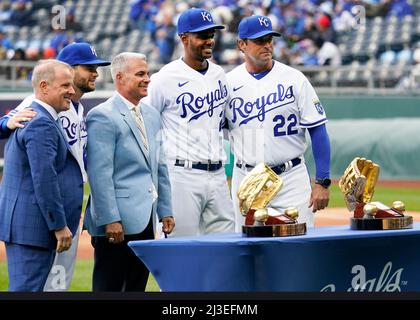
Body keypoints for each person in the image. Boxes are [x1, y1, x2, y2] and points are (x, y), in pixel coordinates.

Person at [0, 42, 111, 291]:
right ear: (68, 69)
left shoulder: (77, 107)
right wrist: (6, 122)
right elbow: (42, 170)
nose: (95, 73)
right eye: (89, 67)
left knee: (56, 285)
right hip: (42, 217)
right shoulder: (41, 103)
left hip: (64, 211)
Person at [226, 15, 331, 231]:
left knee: (299, 246)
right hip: (247, 178)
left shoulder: (295, 79)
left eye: (269, 39)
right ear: (241, 44)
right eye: (259, 40)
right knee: (247, 248)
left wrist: (322, 181)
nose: (267, 45)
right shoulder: (228, 83)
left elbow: (318, 130)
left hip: (290, 177)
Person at [84, 52, 175, 292]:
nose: (147, 79)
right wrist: (109, 219)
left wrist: (165, 209)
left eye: (147, 73)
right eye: (140, 74)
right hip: (117, 224)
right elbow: (99, 173)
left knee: (136, 287)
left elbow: (159, 165)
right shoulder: (102, 116)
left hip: (146, 219)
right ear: (120, 78)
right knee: (109, 287)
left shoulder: (152, 115)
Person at [142, 8, 235, 237]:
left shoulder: (219, 74)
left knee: (225, 246)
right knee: (179, 246)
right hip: (181, 174)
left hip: (217, 174)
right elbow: (144, 124)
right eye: (202, 35)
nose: (209, 40)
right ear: (184, 38)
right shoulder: (164, 78)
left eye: (211, 34)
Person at [0, 60, 83, 291]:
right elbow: (44, 180)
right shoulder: (41, 123)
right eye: (65, 85)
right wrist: (59, 225)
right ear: (44, 86)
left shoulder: (38, 117)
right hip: (33, 228)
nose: (72, 91)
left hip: (28, 226)